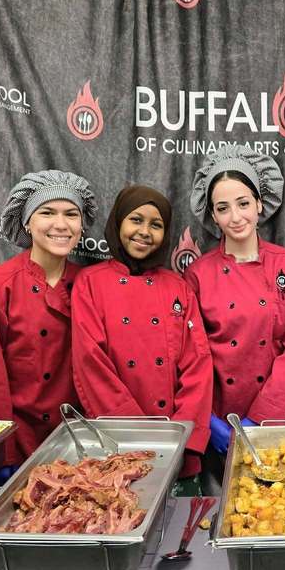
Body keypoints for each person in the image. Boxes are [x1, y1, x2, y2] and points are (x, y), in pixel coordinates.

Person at [185, 145, 285, 493]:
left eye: (243, 203)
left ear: (260, 203)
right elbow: (192, 355)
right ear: (212, 216)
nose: (235, 217)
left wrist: (265, 414)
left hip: (273, 416)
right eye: (223, 208)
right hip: (219, 418)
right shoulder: (197, 274)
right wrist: (207, 420)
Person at [71, 185, 213, 481]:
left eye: (156, 225)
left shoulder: (178, 287)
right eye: (136, 220)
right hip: (118, 444)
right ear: (118, 221)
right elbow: (91, 364)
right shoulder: (90, 283)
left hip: (177, 444)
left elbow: (197, 364)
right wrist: (137, 435)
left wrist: (181, 434)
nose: (145, 231)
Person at [0, 169, 96, 469]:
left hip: (81, 444)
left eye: (71, 214)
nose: (61, 224)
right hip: (20, 443)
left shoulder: (91, 284)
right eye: (47, 212)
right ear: (26, 222)